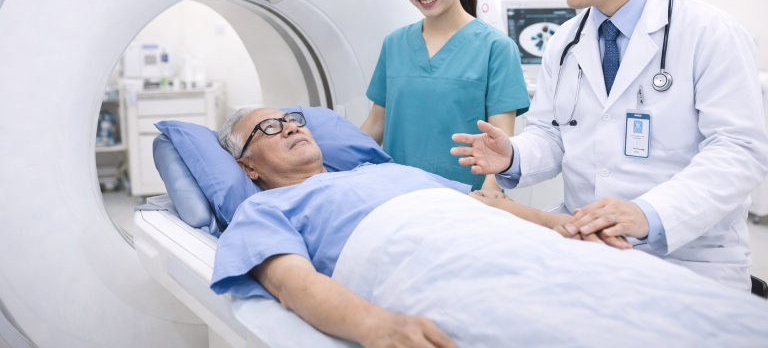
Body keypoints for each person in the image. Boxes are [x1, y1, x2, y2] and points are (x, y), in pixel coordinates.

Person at [451, 0, 768, 291]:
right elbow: (552, 134)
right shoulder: (566, 41)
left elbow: (738, 151)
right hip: (583, 242)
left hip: (688, 257)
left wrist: (648, 213)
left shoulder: (710, 33)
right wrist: (513, 155)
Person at [212, 108, 627, 348]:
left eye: (293, 119)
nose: (291, 126)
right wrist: (378, 327)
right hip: (424, 261)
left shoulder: (383, 170)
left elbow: (484, 201)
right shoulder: (262, 209)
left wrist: (561, 224)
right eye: (269, 128)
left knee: (619, 294)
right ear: (247, 167)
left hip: (495, 236)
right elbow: (292, 283)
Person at [360, 0, 530, 191]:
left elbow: (501, 141)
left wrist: (488, 196)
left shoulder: (496, 48)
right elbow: (375, 124)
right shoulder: (394, 44)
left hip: (462, 198)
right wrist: (332, 168)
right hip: (395, 196)